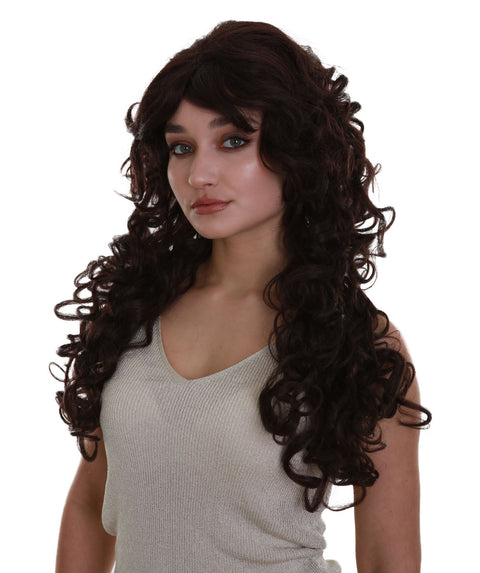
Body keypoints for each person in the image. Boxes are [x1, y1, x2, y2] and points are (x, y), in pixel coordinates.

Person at [53, 20, 431, 573]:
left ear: (297, 147)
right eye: (181, 147)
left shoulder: (358, 344)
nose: (199, 174)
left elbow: (386, 562)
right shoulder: (132, 313)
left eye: (233, 140)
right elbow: (92, 507)